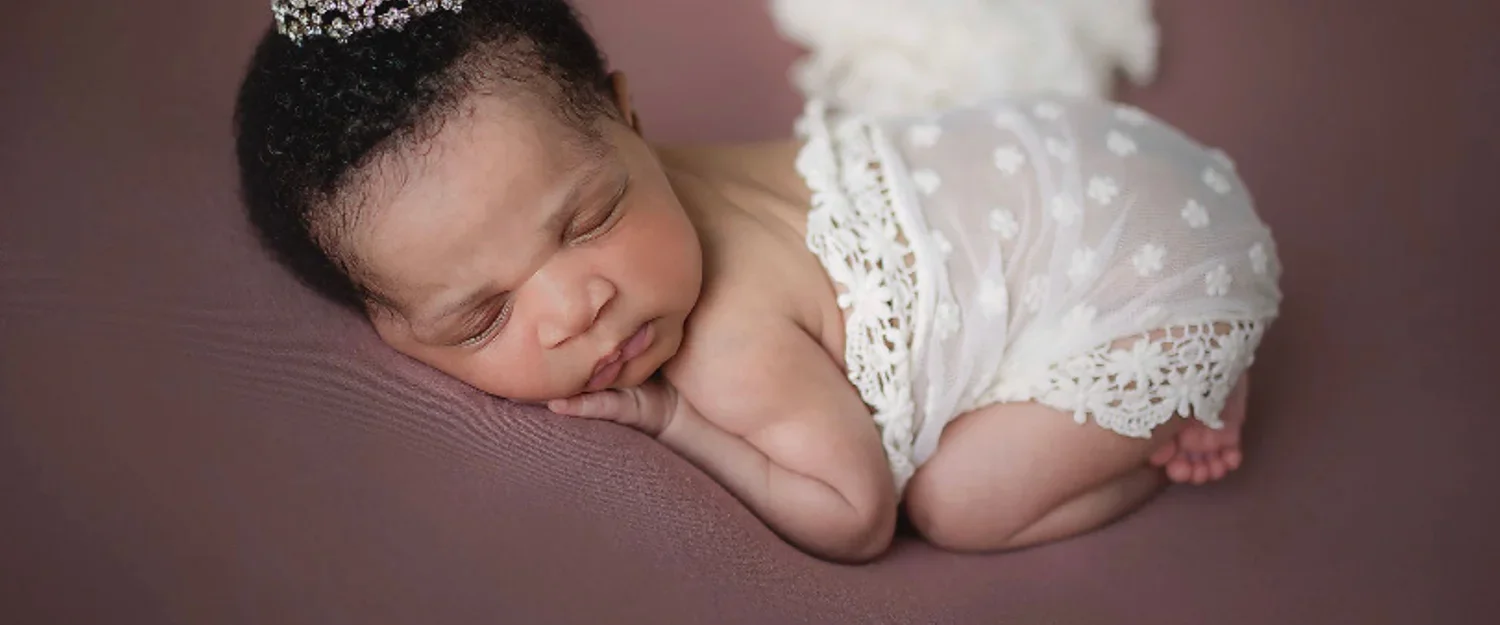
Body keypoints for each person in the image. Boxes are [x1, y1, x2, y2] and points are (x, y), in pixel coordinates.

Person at [234, 0, 1282, 563]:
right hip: (1092, 160)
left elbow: (857, 514)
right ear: (392, 332)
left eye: (590, 219)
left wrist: (675, 421)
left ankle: (1178, 405)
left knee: (958, 503)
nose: (576, 307)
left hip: (1148, 273)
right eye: (484, 315)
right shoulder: (633, 173)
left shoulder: (728, 345)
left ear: (628, 118)